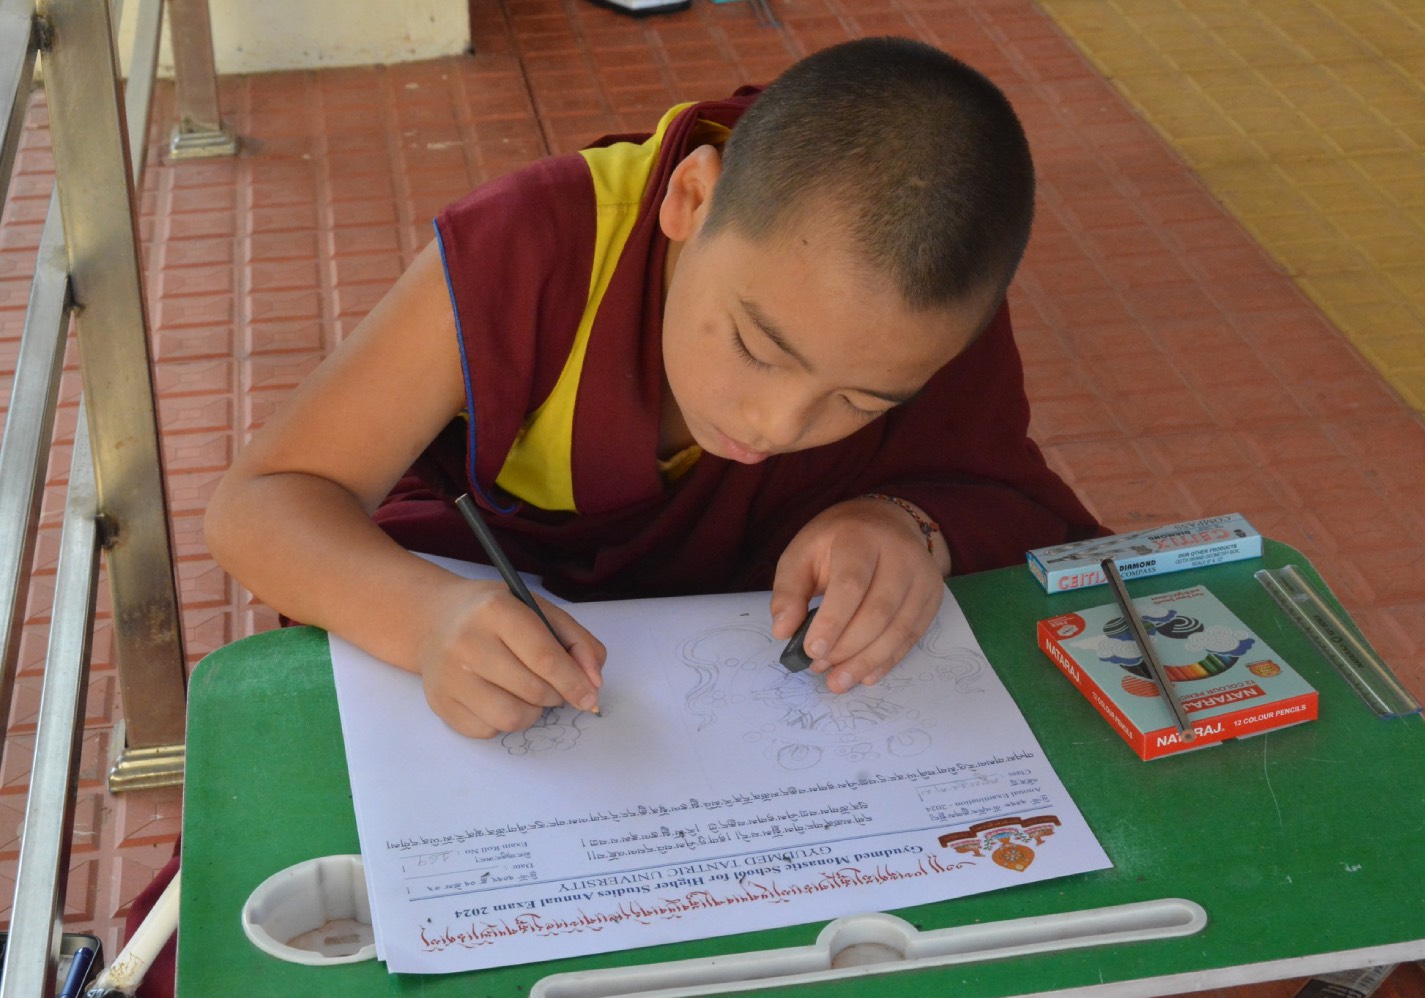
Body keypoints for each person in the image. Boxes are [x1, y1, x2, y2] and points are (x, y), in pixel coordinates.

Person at [205, 36, 1103, 739]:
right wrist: (427, 620)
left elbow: (998, 492)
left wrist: (905, 525)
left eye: (862, 405)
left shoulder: (917, 318)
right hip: (488, 637)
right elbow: (261, 503)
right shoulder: (538, 244)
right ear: (689, 202)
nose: (777, 424)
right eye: (756, 347)